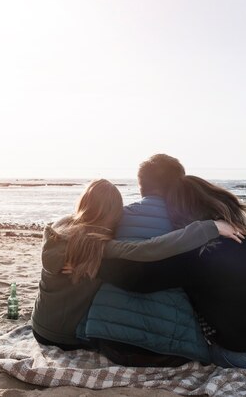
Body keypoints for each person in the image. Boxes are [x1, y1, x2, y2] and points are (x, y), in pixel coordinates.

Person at [97, 170, 246, 371]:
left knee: (191, 345)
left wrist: (96, 265)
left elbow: (141, 281)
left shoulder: (193, 253)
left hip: (244, 357)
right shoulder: (240, 229)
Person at [31, 178, 246, 351]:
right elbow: (147, 249)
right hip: (64, 338)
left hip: (38, 326)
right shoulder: (96, 246)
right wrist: (208, 228)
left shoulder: (58, 227)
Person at [81, 155, 218, 365]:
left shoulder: (116, 217)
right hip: (165, 350)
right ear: (178, 185)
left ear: (140, 185)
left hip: (107, 341)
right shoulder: (187, 225)